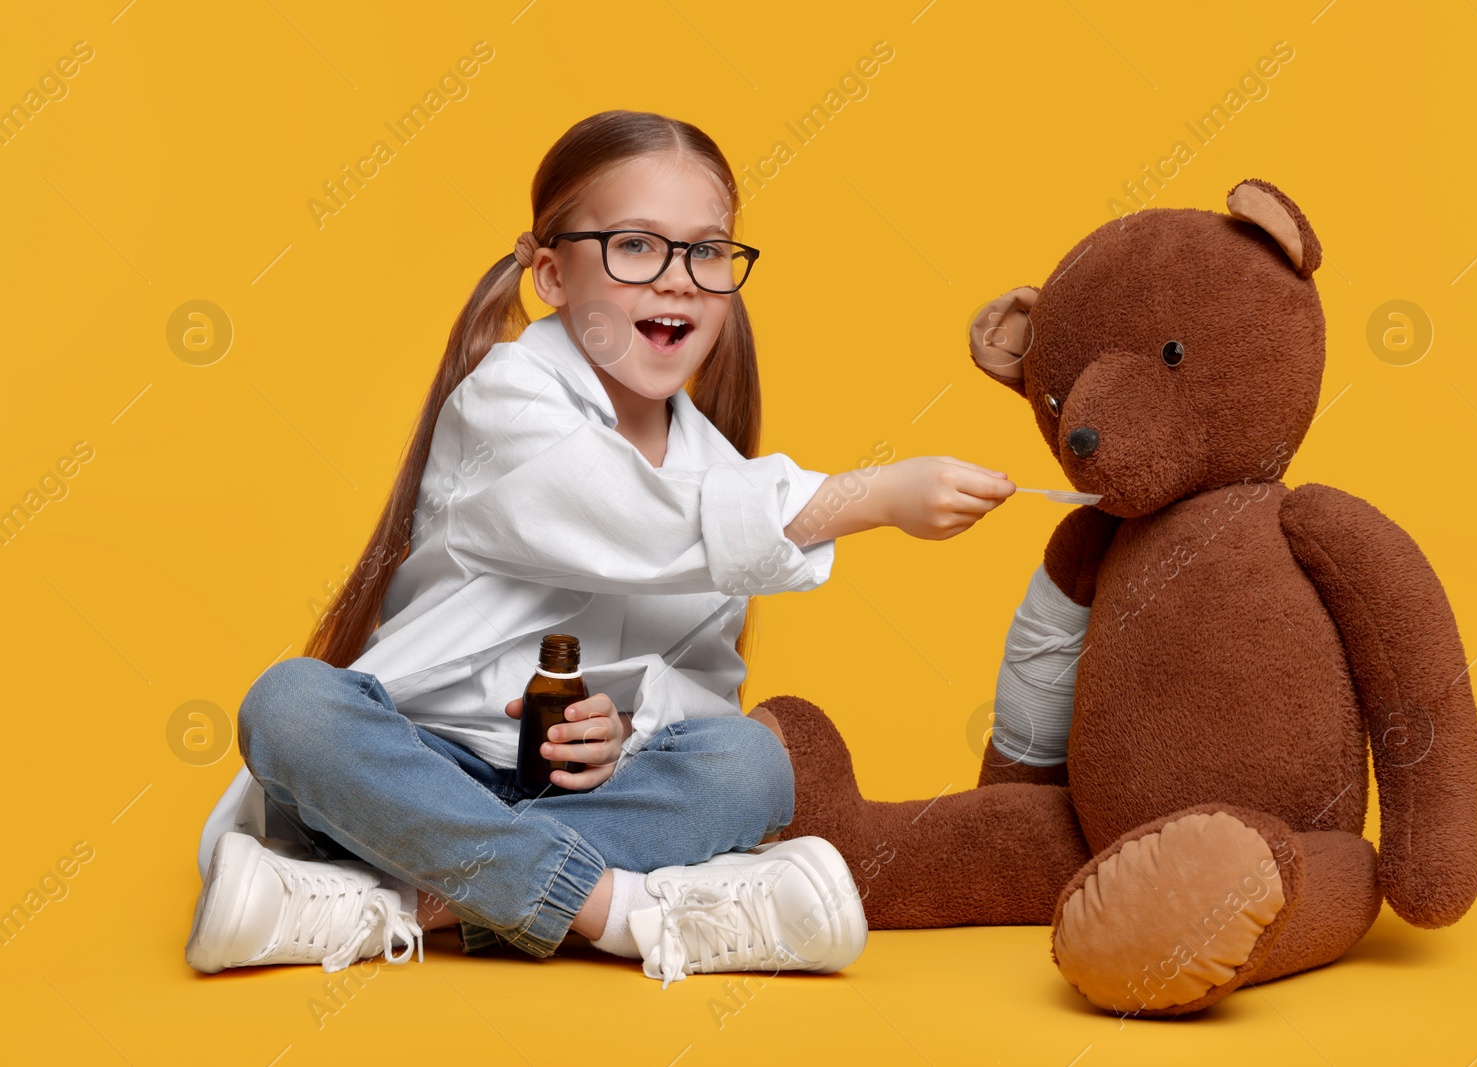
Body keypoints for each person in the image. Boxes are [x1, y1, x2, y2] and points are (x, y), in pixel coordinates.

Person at [184, 109, 1018, 987]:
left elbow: (705, 681)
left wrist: (630, 727)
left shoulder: (715, 469)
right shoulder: (508, 401)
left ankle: (393, 904)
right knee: (292, 706)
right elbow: (637, 518)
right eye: (634, 247)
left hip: (587, 802)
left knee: (751, 762)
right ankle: (617, 912)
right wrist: (868, 496)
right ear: (550, 273)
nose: (678, 281)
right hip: (424, 773)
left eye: (706, 252)